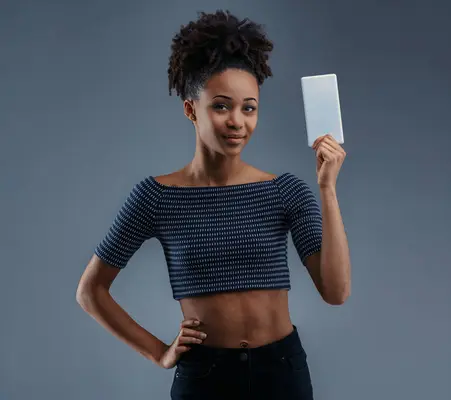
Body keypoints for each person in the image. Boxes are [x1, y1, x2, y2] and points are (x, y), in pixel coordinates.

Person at [75, 9, 351, 400]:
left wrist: (327, 189)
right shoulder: (157, 197)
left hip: (282, 372)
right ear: (191, 109)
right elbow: (91, 291)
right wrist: (159, 353)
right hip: (205, 378)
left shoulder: (285, 191)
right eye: (221, 106)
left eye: (249, 107)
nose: (237, 121)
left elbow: (335, 291)